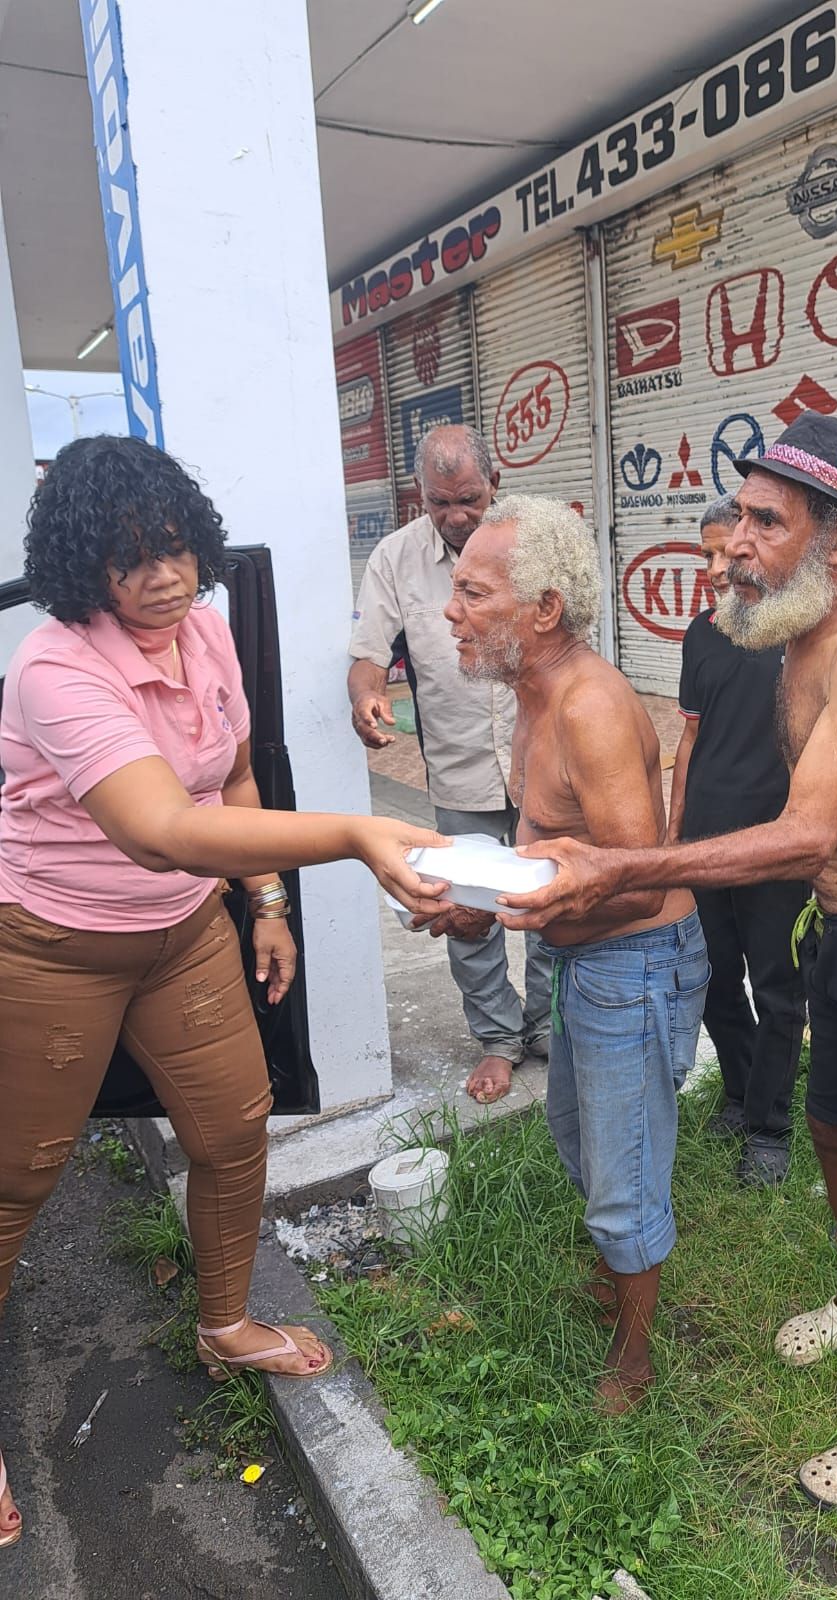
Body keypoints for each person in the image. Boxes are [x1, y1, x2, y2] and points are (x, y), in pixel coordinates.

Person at [496, 415, 837, 1518]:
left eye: (767, 524)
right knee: (831, 1132)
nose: (735, 544)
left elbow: (808, 830)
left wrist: (621, 864)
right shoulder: (798, 628)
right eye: (740, 520)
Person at [0, 436, 447, 1550]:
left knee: (235, 1126)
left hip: (184, 931)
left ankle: (227, 1322)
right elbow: (161, 826)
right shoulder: (55, 667)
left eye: (176, 548)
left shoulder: (204, 630)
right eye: (130, 558)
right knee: (16, 1181)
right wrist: (355, 832)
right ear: (83, 566)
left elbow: (233, 776)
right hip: (53, 945)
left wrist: (267, 901)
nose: (163, 576)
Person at [434, 492, 707, 1414]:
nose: (451, 612)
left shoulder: (589, 706)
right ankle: (616, 1280)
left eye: (474, 594)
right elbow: (549, 847)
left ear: (545, 609)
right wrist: (480, 901)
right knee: (577, 1136)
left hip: (635, 964)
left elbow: (635, 883)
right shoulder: (530, 692)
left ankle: (634, 1360)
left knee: (621, 1170)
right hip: (586, 964)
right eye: (455, 591)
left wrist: (518, 910)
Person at [347, 424, 552, 1104]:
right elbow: (368, 651)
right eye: (441, 503)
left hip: (542, 758)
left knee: (548, 900)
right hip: (460, 768)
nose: (457, 516)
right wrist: (367, 696)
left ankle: (549, 1026)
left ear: (495, 482)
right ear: (420, 494)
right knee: (464, 909)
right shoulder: (396, 558)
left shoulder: (532, 541)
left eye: (469, 499)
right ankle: (498, 1037)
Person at [667, 494, 807, 1186]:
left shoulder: (800, 631)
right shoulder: (700, 634)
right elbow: (690, 738)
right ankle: (739, 1089)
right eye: (708, 555)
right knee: (714, 977)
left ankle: (770, 1128)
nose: (719, 567)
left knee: (779, 987)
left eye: (729, 552)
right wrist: (672, 839)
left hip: (777, 844)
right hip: (706, 844)